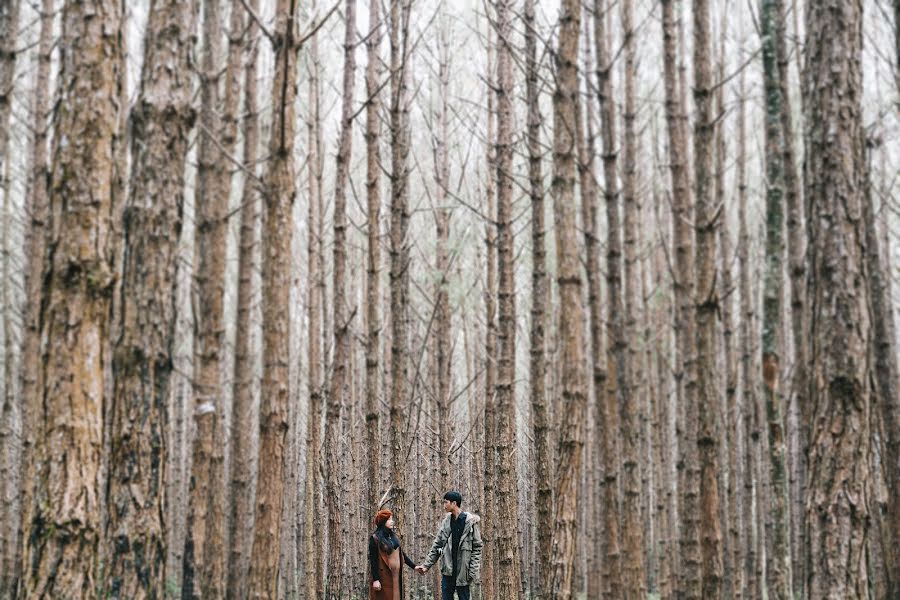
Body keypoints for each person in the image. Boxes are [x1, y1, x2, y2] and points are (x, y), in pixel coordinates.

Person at [416, 491, 483, 600]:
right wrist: (426, 566)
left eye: (446, 502)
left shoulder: (470, 523)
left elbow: (477, 548)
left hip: (463, 572)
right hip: (448, 571)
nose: (444, 506)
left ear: (454, 503)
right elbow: (437, 545)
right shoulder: (446, 522)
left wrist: (472, 571)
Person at [369, 509, 417, 600]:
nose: (392, 521)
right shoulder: (375, 538)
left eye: (391, 519)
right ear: (383, 522)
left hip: (396, 577)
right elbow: (373, 560)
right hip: (384, 578)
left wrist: (414, 566)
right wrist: (376, 579)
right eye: (389, 519)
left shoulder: (393, 536)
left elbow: (401, 554)